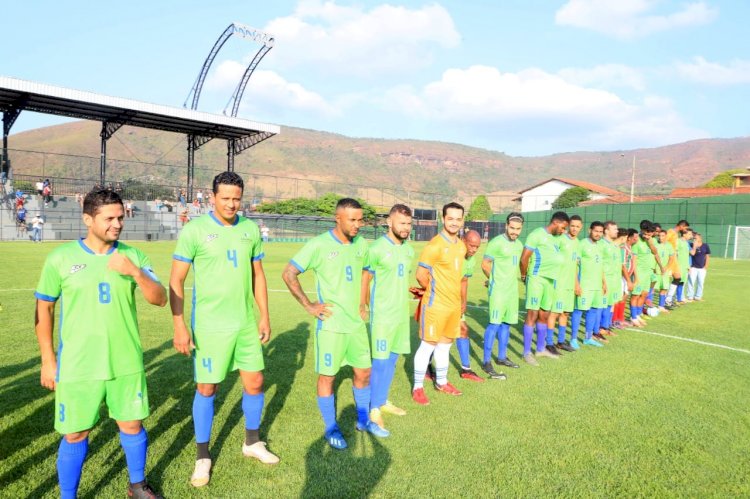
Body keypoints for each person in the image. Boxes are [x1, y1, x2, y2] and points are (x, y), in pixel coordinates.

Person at [34, 188, 167, 499]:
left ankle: (137, 486)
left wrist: (134, 272)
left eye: (121, 218)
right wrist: (47, 360)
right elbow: (44, 308)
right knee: (76, 432)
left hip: (125, 360)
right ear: (88, 219)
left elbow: (160, 299)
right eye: (109, 218)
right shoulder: (60, 258)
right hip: (79, 363)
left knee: (132, 425)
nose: (117, 224)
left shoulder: (133, 255)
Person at [170, 172, 278, 487]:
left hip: (244, 322)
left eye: (236, 198)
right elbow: (176, 279)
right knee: (207, 388)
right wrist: (179, 325)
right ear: (213, 197)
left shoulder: (249, 229)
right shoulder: (195, 230)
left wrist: (264, 315)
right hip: (210, 325)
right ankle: (203, 456)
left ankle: (252, 442)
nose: (231, 204)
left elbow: (258, 275)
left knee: (255, 382)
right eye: (225, 198)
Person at [282, 198, 387, 450]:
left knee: (364, 373)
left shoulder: (362, 244)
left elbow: (366, 271)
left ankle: (363, 421)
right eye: (352, 219)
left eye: (360, 219)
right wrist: (309, 305)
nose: (358, 225)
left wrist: (362, 302)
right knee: (327, 377)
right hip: (330, 325)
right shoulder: (319, 245)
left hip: (356, 325)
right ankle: (331, 427)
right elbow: (289, 273)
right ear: (337, 218)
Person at [361, 204, 415, 430]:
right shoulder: (376, 248)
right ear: (389, 222)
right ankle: (373, 408)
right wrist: (362, 304)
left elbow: (398, 278)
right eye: (402, 223)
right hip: (383, 315)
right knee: (380, 361)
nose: (406, 228)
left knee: (392, 359)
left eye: (409, 223)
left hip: (402, 314)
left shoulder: (408, 249)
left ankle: (382, 401)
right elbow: (366, 277)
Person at [411, 202, 467, 404]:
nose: (454, 222)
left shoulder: (460, 246)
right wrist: (434, 291)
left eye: (458, 219)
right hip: (436, 306)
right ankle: (417, 387)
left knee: (445, 346)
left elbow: (457, 277)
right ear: (443, 219)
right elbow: (420, 275)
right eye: (450, 218)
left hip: (452, 306)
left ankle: (441, 382)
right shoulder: (434, 245)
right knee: (428, 345)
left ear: (462, 220)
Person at [519, 211, 569, 365]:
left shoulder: (557, 239)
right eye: (563, 227)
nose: (563, 231)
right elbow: (524, 257)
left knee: (544, 315)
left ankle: (540, 349)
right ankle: (526, 352)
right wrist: (524, 275)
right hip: (536, 279)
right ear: (556, 222)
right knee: (532, 314)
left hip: (550, 281)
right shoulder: (537, 234)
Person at [481, 213, 524, 377]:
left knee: (506, 324)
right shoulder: (496, 243)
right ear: (506, 226)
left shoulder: (519, 244)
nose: (515, 232)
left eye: (518, 229)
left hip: (512, 291)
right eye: (512, 228)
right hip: (498, 291)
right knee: (494, 324)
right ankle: (486, 362)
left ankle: (501, 357)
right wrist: (493, 280)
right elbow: (485, 264)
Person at [551, 214, 582, 350]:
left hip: (570, 284)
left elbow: (575, 265)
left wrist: (576, 284)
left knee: (565, 313)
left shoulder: (578, 243)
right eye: (573, 226)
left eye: (577, 226)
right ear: (569, 226)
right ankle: (549, 342)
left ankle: (561, 341)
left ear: (581, 228)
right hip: (559, 283)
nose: (574, 229)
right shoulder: (560, 239)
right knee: (554, 313)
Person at [577, 221, 607, 347]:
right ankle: (573, 339)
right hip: (585, 284)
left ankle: (588, 337)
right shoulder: (582, 244)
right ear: (590, 230)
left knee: (594, 310)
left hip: (597, 285)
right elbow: (576, 265)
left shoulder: (601, 246)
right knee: (578, 310)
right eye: (596, 231)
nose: (598, 234)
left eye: (600, 232)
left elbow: (600, 266)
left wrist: (604, 282)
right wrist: (577, 283)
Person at [599, 221, 622, 337]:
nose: (617, 231)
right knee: (602, 304)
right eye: (614, 229)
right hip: (605, 280)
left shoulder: (615, 246)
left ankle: (606, 326)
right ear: (606, 231)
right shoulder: (601, 244)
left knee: (609, 304)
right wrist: (603, 281)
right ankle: (599, 329)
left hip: (615, 280)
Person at [655, 229, 676, 312]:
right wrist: (658, 267)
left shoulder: (669, 246)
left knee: (664, 288)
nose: (660, 237)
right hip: (656, 270)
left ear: (666, 236)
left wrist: (666, 267)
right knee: (652, 289)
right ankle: (648, 307)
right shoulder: (655, 245)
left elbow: (671, 257)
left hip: (665, 271)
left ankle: (661, 306)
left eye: (662, 236)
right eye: (659, 236)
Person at [686, 232, 710, 301]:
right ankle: (690, 297)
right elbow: (689, 254)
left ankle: (698, 297)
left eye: (696, 238)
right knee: (691, 282)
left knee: (701, 283)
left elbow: (707, 256)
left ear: (700, 238)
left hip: (702, 268)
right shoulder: (691, 245)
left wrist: (706, 266)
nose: (694, 239)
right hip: (693, 267)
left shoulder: (705, 246)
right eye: (694, 238)